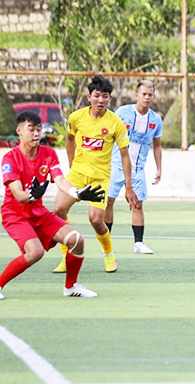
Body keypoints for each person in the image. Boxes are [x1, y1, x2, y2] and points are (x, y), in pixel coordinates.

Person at [1, 112, 105, 299]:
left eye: (38, 129)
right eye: (30, 129)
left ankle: (71, 287)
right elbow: (18, 194)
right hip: (14, 214)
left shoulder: (48, 153)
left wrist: (77, 193)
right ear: (19, 131)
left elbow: (60, 180)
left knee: (77, 240)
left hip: (39, 212)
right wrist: (33, 195)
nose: (36, 133)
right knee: (35, 252)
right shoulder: (10, 159)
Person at [53, 75, 137, 274]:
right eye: (97, 96)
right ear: (89, 96)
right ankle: (67, 255)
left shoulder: (116, 123)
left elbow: (125, 156)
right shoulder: (76, 117)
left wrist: (129, 186)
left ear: (110, 99)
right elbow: (69, 138)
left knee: (96, 220)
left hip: (100, 178)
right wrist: (72, 163)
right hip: (77, 175)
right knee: (58, 211)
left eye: (105, 96)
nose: (101, 100)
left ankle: (108, 254)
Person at [104, 80, 162, 254]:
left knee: (138, 204)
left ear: (153, 96)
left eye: (150, 94)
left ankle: (138, 244)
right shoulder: (122, 112)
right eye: (144, 94)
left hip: (137, 169)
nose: (147, 97)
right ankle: (106, 243)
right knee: (109, 201)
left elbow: (157, 145)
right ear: (136, 95)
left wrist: (159, 168)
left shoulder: (156, 119)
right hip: (116, 165)